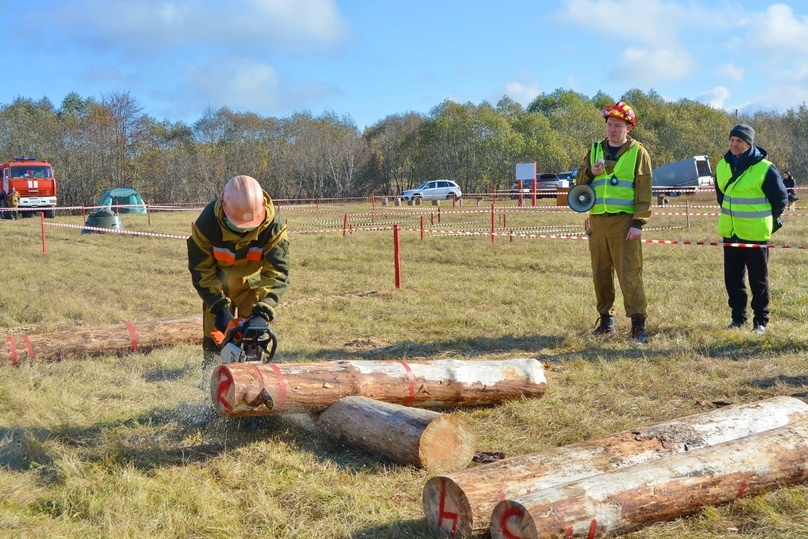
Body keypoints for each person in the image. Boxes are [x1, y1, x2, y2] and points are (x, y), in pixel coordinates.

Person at [187, 175, 290, 361]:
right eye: (238, 226)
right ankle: (210, 370)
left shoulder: (273, 226)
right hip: (217, 285)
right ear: (224, 208)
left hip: (251, 286)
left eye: (248, 228)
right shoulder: (207, 222)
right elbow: (201, 269)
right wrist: (218, 306)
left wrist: (263, 312)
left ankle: (252, 372)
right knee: (214, 335)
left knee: (253, 337)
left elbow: (277, 272)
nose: (244, 231)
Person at [574, 101, 653, 343]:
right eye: (609, 124)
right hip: (598, 222)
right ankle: (606, 321)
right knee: (600, 273)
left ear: (629, 127)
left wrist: (638, 223)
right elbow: (578, 182)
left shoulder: (639, 153)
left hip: (624, 223)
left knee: (629, 273)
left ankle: (638, 324)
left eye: (618, 125)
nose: (612, 129)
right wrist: (591, 173)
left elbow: (644, 190)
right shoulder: (594, 149)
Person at [715, 124, 788, 335]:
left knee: (758, 280)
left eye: (739, 141)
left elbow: (780, 199)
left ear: (749, 144)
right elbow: (721, 197)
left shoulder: (765, 168)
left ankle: (760, 321)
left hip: (755, 234)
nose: (734, 144)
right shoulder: (722, 165)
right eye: (732, 140)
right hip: (731, 232)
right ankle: (738, 318)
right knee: (732, 279)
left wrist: (768, 222)